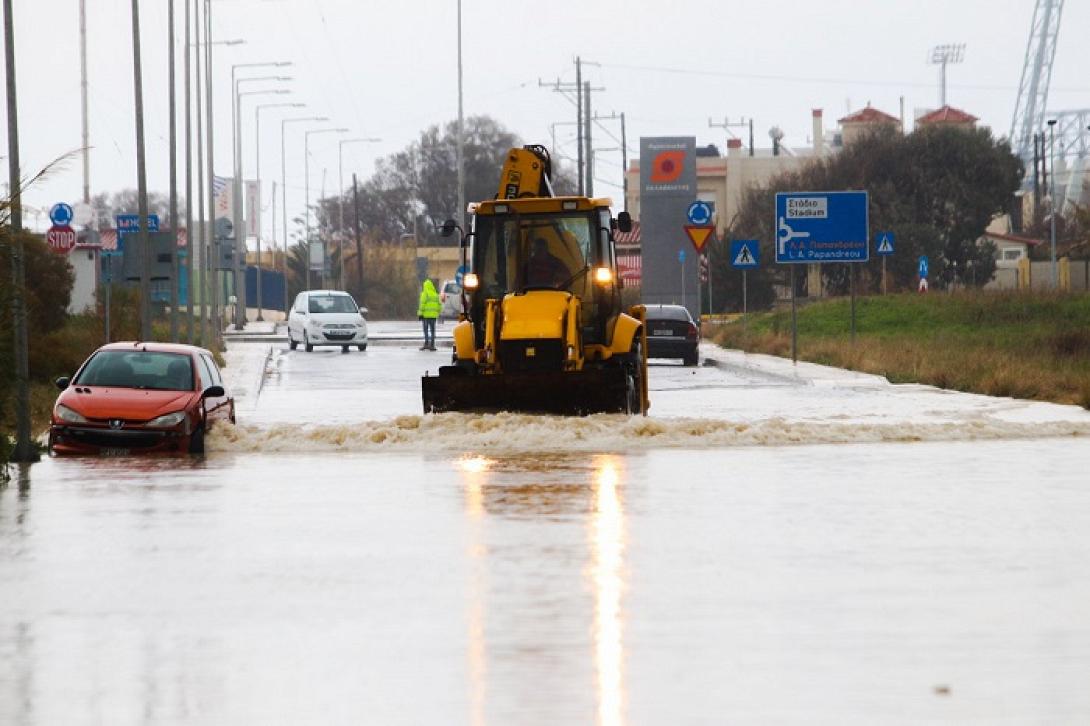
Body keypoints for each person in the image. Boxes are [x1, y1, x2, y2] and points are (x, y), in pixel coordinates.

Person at [417, 278, 441, 350]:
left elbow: (422, 304)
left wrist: (420, 314)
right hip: (433, 316)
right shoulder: (435, 294)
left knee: (426, 330)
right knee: (433, 330)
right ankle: (432, 345)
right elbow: (439, 305)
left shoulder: (425, 294)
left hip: (425, 316)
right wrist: (437, 312)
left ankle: (426, 343)